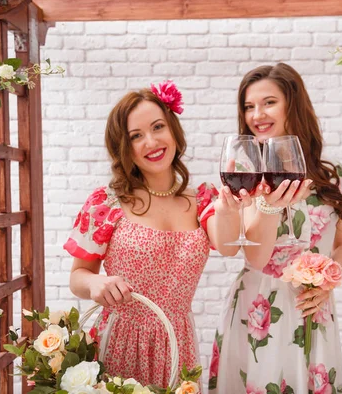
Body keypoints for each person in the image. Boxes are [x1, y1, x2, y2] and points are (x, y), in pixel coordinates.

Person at [64, 81, 248, 388]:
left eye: (158, 127)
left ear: (173, 129)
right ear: (125, 147)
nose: (151, 141)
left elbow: (228, 247)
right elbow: (78, 277)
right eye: (136, 136)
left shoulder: (201, 200)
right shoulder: (107, 203)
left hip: (179, 342)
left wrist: (229, 208)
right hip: (120, 339)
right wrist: (96, 282)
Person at [207, 63, 342, 393]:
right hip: (259, 304)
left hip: (312, 308)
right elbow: (256, 258)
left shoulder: (333, 178)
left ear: (293, 103)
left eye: (268, 102)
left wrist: (327, 284)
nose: (256, 114)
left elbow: (340, 247)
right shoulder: (245, 172)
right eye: (248, 106)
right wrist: (268, 205)